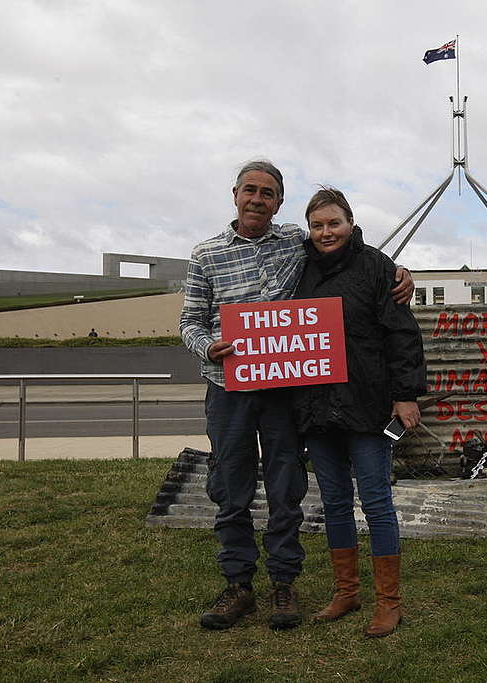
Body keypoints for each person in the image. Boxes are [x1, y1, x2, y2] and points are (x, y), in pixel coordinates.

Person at [179, 161, 414, 631]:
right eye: (250, 191)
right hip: (230, 388)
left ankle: (284, 585)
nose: (257, 200)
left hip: (287, 391)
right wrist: (207, 344)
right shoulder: (205, 255)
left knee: (288, 488)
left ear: (279, 204)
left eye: (268, 194)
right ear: (235, 194)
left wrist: (398, 271)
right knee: (231, 487)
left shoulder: (295, 244)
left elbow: (351, 254)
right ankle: (238, 585)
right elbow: (189, 322)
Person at [293, 187, 426, 638]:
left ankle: (389, 602)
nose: (326, 232)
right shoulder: (298, 268)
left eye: (334, 223)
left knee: (376, 503)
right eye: (317, 225)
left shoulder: (377, 267)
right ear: (308, 230)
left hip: (367, 406)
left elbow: (402, 334)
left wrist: (406, 394)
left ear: (350, 224)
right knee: (333, 504)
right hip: (315, 407)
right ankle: (345, 592)